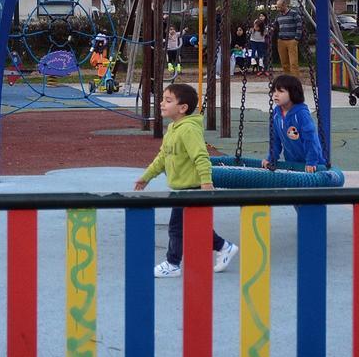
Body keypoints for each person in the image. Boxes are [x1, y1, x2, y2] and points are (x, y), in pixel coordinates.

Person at [134, 83, 238, 278]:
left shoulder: (189, 129)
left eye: (168, 100)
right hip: (182, 188)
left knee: (177, 227)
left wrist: (206, 183)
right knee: (195, 227)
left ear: (183, 108)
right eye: (163, 99)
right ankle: (225, 247)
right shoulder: (173, 128)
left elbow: (201, 156)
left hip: (192, 187)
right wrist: (146, 176)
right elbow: (162, 158)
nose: (162, 104)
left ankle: (173, 263)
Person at [261, 74, 324, 173]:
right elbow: (275, 140)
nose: (275, 94)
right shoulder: (276, 114)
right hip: (292, 163)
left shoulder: (301, 114)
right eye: (274, 91)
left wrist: (311, 162)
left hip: (314, 164)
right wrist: (271, 158)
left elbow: (310, 139)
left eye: (281, 91)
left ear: (293, 93)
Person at [275, 0, 303, 76]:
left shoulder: (294, 13)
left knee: (293, 63)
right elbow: (274, 25)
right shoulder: (278, 15)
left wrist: (296, 39)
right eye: (277, 7)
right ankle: (287, 79)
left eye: (279, 7)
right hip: (281, 40)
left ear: (284, 5)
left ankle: (295, 80)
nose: (278, 9)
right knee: (284, 63)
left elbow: (299, 26)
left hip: (291, 40)